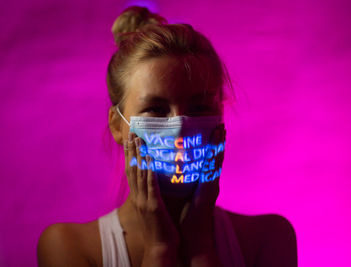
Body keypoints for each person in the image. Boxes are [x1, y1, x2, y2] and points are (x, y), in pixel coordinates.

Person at [37, 6, 297, 267]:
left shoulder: (267, 239)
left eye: (199, 108)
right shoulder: (70, 247)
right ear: (117, 125)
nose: (179, 128)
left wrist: (201, 245)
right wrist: (158, 249)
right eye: (156, 109)